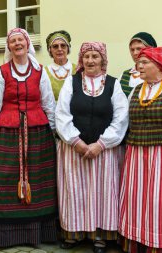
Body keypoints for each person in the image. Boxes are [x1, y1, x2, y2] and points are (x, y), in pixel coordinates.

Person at [0, 28, 58, 251]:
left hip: (37, 133)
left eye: (20, 40)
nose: (17, 44)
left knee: (38, 180)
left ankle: (39, 233)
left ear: (27, 43)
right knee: (3, 180)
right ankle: (0, 237)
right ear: (9, 46)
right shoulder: (2, 72)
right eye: (13, 41)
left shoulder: (39, 71)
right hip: (8, 133)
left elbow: (48, 104)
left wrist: (51, 135)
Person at [55, 42, 128, 253]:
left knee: (102, 192)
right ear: (81, 59)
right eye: (86, 56)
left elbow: (121, 118)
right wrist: (75, 141)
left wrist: (101, 144)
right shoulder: (72, 82)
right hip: (74, 149)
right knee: (75, 191)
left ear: (103, 60)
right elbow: (62, 114)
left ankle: (100, 236)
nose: (90, 60)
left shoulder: (114, 84)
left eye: (95, 56)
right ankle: (74, 233)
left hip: (104, 151)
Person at [119, 47, 162, 253]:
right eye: (138, 62)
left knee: (160, 202)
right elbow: (122, 123)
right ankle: (139, 242)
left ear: (160, 65)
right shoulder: (136, 90)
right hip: (136, 156)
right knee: (137, 200)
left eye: (145, 62)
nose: (139, 66)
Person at [119, 32, 157, 96]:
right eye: (132, 50)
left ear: (151, 50)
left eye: (139, 49)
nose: (135, 53)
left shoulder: (159, 75)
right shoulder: (124, 75)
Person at [44, 30, 76, 100]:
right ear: (50, 50)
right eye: (55, 46)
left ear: (68, 48)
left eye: (63, 45)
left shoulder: (78, 70)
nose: (59, 49)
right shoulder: (44, 72)